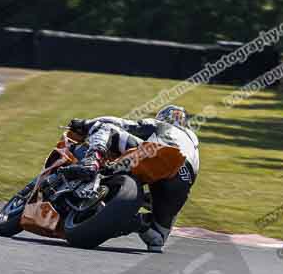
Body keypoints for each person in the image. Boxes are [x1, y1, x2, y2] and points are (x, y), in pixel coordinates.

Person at [62, 105, 200, 252]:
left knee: (108, 128)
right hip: (182, 181)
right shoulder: (193, 145)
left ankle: (91, 163)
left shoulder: (162, 125)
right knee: (157, 238)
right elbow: (184, 187)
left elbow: (124, 124)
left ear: (164, 116)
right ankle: (138, 222)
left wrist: (84, 124)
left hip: (157, 153)